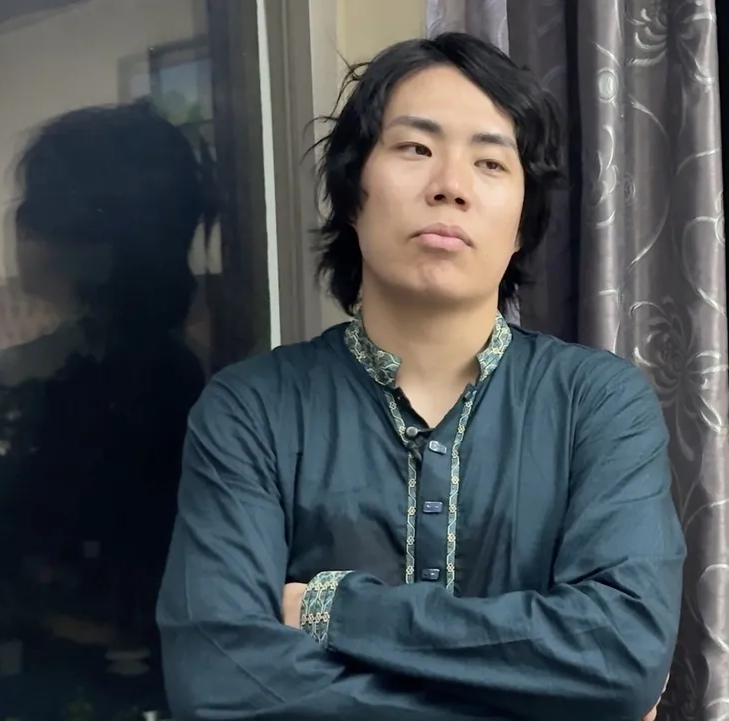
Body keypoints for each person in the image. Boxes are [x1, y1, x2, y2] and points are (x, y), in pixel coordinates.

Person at [155, 32, 686, 721]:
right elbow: (220, 684)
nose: (450, 186)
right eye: (415, 148)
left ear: (522, 226)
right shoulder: (252, 410)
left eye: (490, 162)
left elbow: (621, 655)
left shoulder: (600, 403)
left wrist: (335, 608)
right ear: (352, 193)